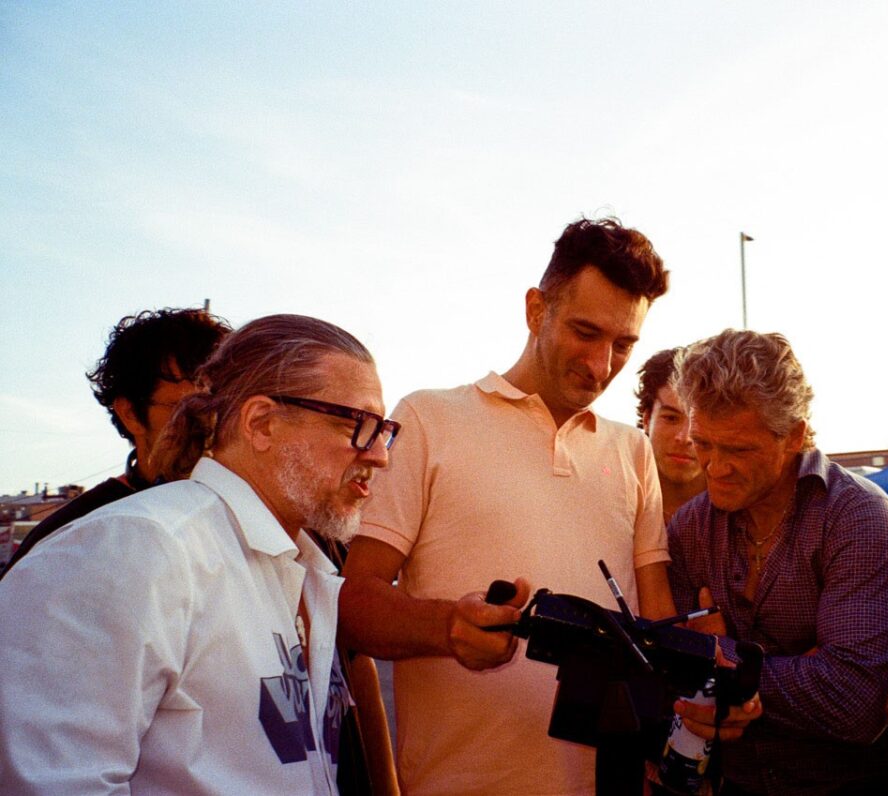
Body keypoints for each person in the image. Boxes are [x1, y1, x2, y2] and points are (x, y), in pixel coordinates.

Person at [340, 217, 680, 795]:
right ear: (535, 309)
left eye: (623, 344)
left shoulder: (633, 451)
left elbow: (657, 625)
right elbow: (352, 603)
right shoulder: (427, 418)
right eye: (585, 332)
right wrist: (448, 626)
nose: (601, 365)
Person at [0, 314, 398, 793]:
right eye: (357, 424)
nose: (380, 455)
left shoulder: (305, 570)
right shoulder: (133, 549)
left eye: (383, 429)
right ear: (262, 423)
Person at [668, 330, 888, 796]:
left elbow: (854, 701)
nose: (714, 468)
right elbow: (668, 668)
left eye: (739, 450)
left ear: (794, 435)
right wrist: (796, 670)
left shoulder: (860, 519)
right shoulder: (690, 527)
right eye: (704, 443)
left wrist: (724, 661)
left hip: (859, 787)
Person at [1, 307, 230, 578]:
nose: (211, 422)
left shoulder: (253, 519)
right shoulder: (77, 542)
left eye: (225, 406)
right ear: (131, 414)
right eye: (188, 408)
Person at [637, 347, 706, 522]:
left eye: (700, 422)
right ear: (647, 419)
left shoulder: (740, 509)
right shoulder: (618, 495)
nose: (684, 438)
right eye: (671, 418)